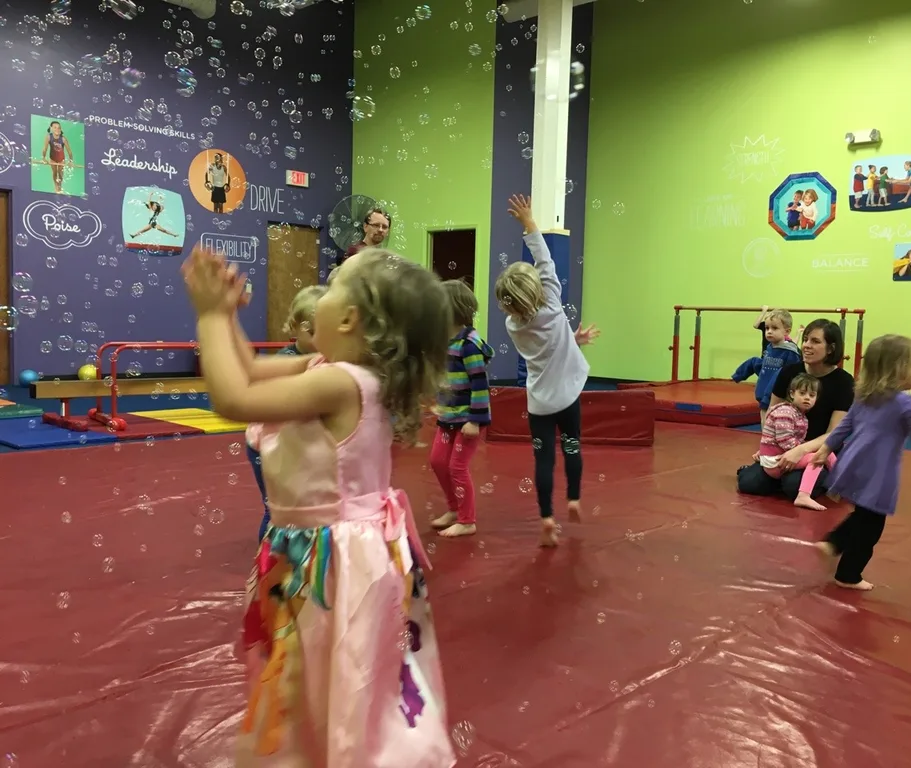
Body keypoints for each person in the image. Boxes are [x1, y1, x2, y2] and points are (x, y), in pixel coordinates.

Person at [181, 244, 456, 767]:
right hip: (314, 551)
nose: (319, 296)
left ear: (349, 318)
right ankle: (321, 749)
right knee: (314, 671)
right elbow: (249, 370)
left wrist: (211, 316)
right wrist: (229, 319)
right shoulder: (326, 367)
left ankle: (348, 754)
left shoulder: (341, 383)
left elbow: (233, 399)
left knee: (333, 670)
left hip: (332, 561)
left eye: (331, 287)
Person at [494, 194, 600, 547]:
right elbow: (545, 259)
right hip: (567, 398)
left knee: (543, 460)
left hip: (539, 403)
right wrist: (530, 223)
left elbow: (548, 342)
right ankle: (573, 498)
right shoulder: (552, 302)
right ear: (538, 289)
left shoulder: (513, 325)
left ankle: (546, 518)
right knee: (572, 447)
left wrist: (573, 339)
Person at [810, 334, 911, 591]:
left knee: (864, 515)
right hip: (879, 470)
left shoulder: (865, 396)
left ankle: (833, 543)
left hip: (854, 462)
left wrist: (827, 447)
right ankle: (848, 573)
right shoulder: (904, 403)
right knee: (872, 525)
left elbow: (845, 426)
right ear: (899, 369)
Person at [736, 319, 854, 500]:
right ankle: (782, 476)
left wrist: (800, 450)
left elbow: (834, 433)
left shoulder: (843, 382)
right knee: (749, 483)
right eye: (805, 340)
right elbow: (772, 414)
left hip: (819, 449)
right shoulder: (789, 372)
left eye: (815, 341)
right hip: (783, 445)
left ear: (831, 348)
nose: (806, 345)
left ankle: (826, 475)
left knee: (793, 486)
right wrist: (768, 445)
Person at [244, 284, 326, 541]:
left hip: (296, 445)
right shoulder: (286, 361)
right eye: (313, 332)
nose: (320, 340)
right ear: (295, 328)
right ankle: (268, 557)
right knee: (276, 509)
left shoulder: (327, 359)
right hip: (268, 444)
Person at [430, 279, 494, 538]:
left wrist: (475, 420)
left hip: (467, 418)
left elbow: (480, 384)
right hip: (449, 415)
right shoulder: (446, 341)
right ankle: (454, 508)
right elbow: (446, 376)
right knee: (437, 461)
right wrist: (439, 402)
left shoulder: (469, 344)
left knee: (457, 466)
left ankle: (467, 520)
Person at [756, 373, 837, 511]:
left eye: (812, 395)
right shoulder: (785, 412)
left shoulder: (800, 415)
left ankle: (839, 483)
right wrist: (809, 449)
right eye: (802, 393)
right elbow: (785, 442)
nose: (807, 398)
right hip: (775, 461)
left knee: (826, 452)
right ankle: (803, 495)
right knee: (816, 458)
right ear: (792, 394)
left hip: (781, 456)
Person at [732, 308, 801, 425]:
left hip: (778, 397)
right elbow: (764, 367)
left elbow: (793, 374)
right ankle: (766, 435)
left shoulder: (790, 352)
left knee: (774, 421)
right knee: (764, 420)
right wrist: (740, 374)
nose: (769, 331)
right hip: (763, 392)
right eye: (767, 328)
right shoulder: (769, 348)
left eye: (774, 328)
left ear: (786, 331)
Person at [40, 120, 74, 195]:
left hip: (61, 159)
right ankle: (56, 186)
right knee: (55, 172)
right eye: (55, 127)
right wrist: (43, 158)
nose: (57, 129)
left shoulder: (63, 139)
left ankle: (60, 186)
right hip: (53, 158)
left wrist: (71, 161)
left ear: (61, 129)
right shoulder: (49, 137)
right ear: (51, 128)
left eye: (59, 128)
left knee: (60, 173)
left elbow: (69, 151)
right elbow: (45, 149)